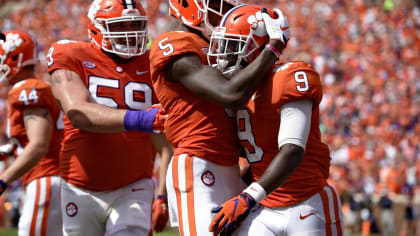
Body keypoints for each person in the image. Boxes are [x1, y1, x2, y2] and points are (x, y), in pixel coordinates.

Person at [149, 0, 290, 235]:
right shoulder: (174, 42)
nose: (225, 11)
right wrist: (273, 47)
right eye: (217, 3)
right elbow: (230, 94)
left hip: (232, 167)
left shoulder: (219, 43)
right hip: (197, 162)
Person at [207, 5, 344, 235]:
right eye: (224, 45)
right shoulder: (235, 92)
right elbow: (258, 153)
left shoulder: (288, 77)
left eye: (233, 45)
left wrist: (247, 197)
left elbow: (292, 150)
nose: (225, 53)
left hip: (307, 204)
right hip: (265, 207)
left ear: (256, 48)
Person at [46, 0, 172, 235]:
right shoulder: (71, 54)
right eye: (120, 25)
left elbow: (163, 143)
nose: (130, 32)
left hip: (134, 186)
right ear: (96, 27)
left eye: (135, 25)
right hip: (80, 186)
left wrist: (162, 193)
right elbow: (77, 112)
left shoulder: (153, 64)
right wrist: (141, 119)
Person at [0, 30, 64, 235]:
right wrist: (11, 149)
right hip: (50, 178)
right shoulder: (31, 87)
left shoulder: (27, 89)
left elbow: (38, 144)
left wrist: (3, 180)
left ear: (15, 58)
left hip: (47, 177)